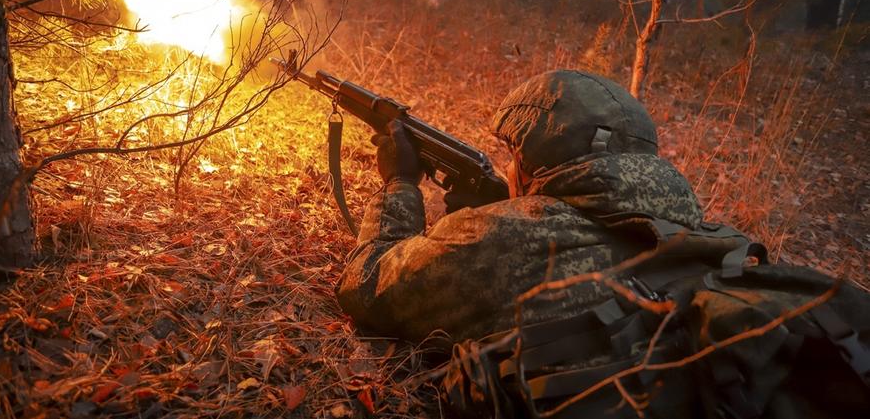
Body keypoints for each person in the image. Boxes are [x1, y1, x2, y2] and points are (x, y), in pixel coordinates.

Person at [335, 70, 870, 418]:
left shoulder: (509, 235)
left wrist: (400, 183)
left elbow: (366, 287)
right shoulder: (709, 240)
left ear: (540, 155)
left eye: (515, 153)